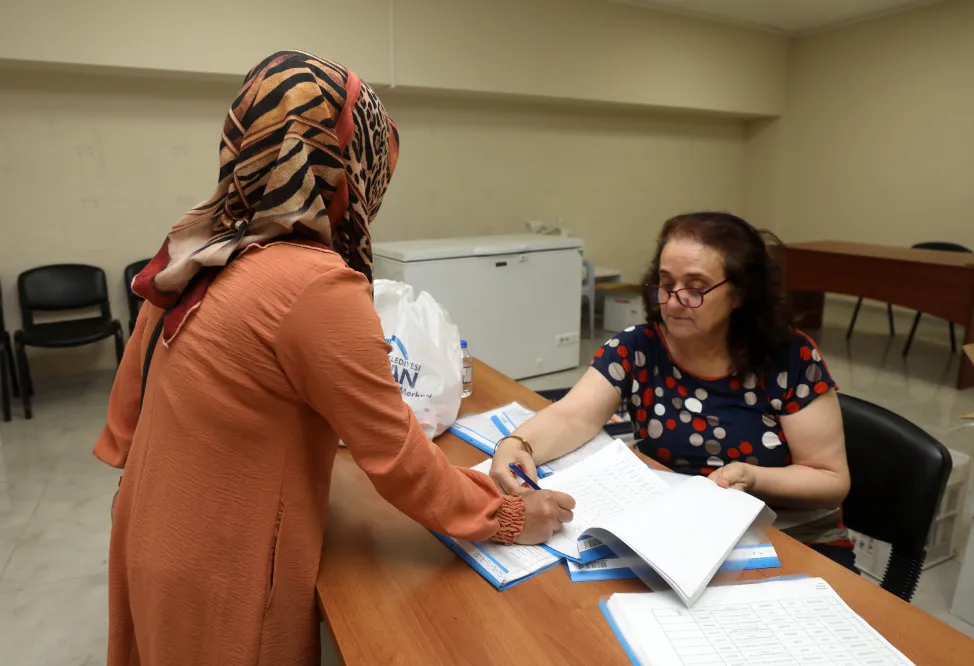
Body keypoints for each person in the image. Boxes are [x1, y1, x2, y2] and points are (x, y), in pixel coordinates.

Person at [94, 51, 575, 666]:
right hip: (225, 561)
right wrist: (507, 516)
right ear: (345, 163)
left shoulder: (202, 241)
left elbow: (137, 404)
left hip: (153, 526)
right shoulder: (311, 281)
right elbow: (395, 456)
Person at [490, 212, 854, 567]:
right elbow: (572, 416)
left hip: (786, 535)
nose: (674, 300)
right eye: (665, 284)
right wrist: (516, 445)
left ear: (740, 293)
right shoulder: (639, 347)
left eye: (695, 289)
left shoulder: (788, 357)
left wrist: (754, 477)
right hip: (681, 534)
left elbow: (830, 480)